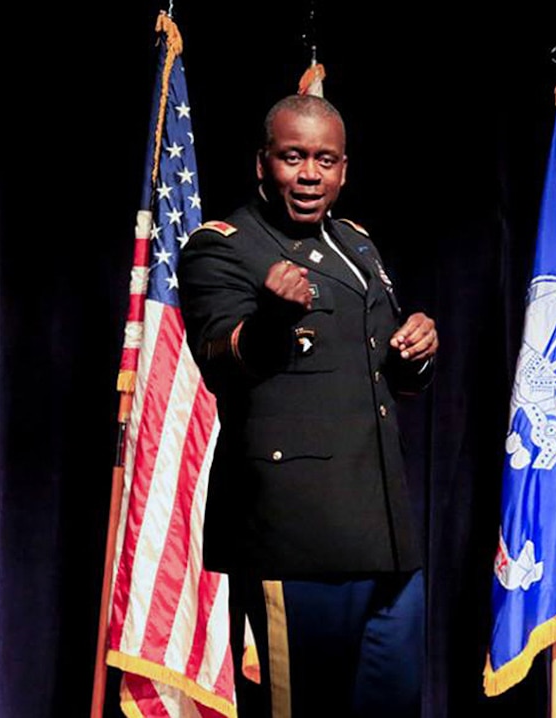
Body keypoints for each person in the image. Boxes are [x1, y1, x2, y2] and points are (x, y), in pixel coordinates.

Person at [178, 94, 437, 717]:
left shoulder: (356, 243)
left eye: (325, 160)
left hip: (383, 534)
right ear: (263, 163)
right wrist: (272, 318)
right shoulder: (223, 247)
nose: (310, 174)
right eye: (293, 157)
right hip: (295, 537)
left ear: (344, 169)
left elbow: (378, 373)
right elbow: (222, 357)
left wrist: (415, 352)